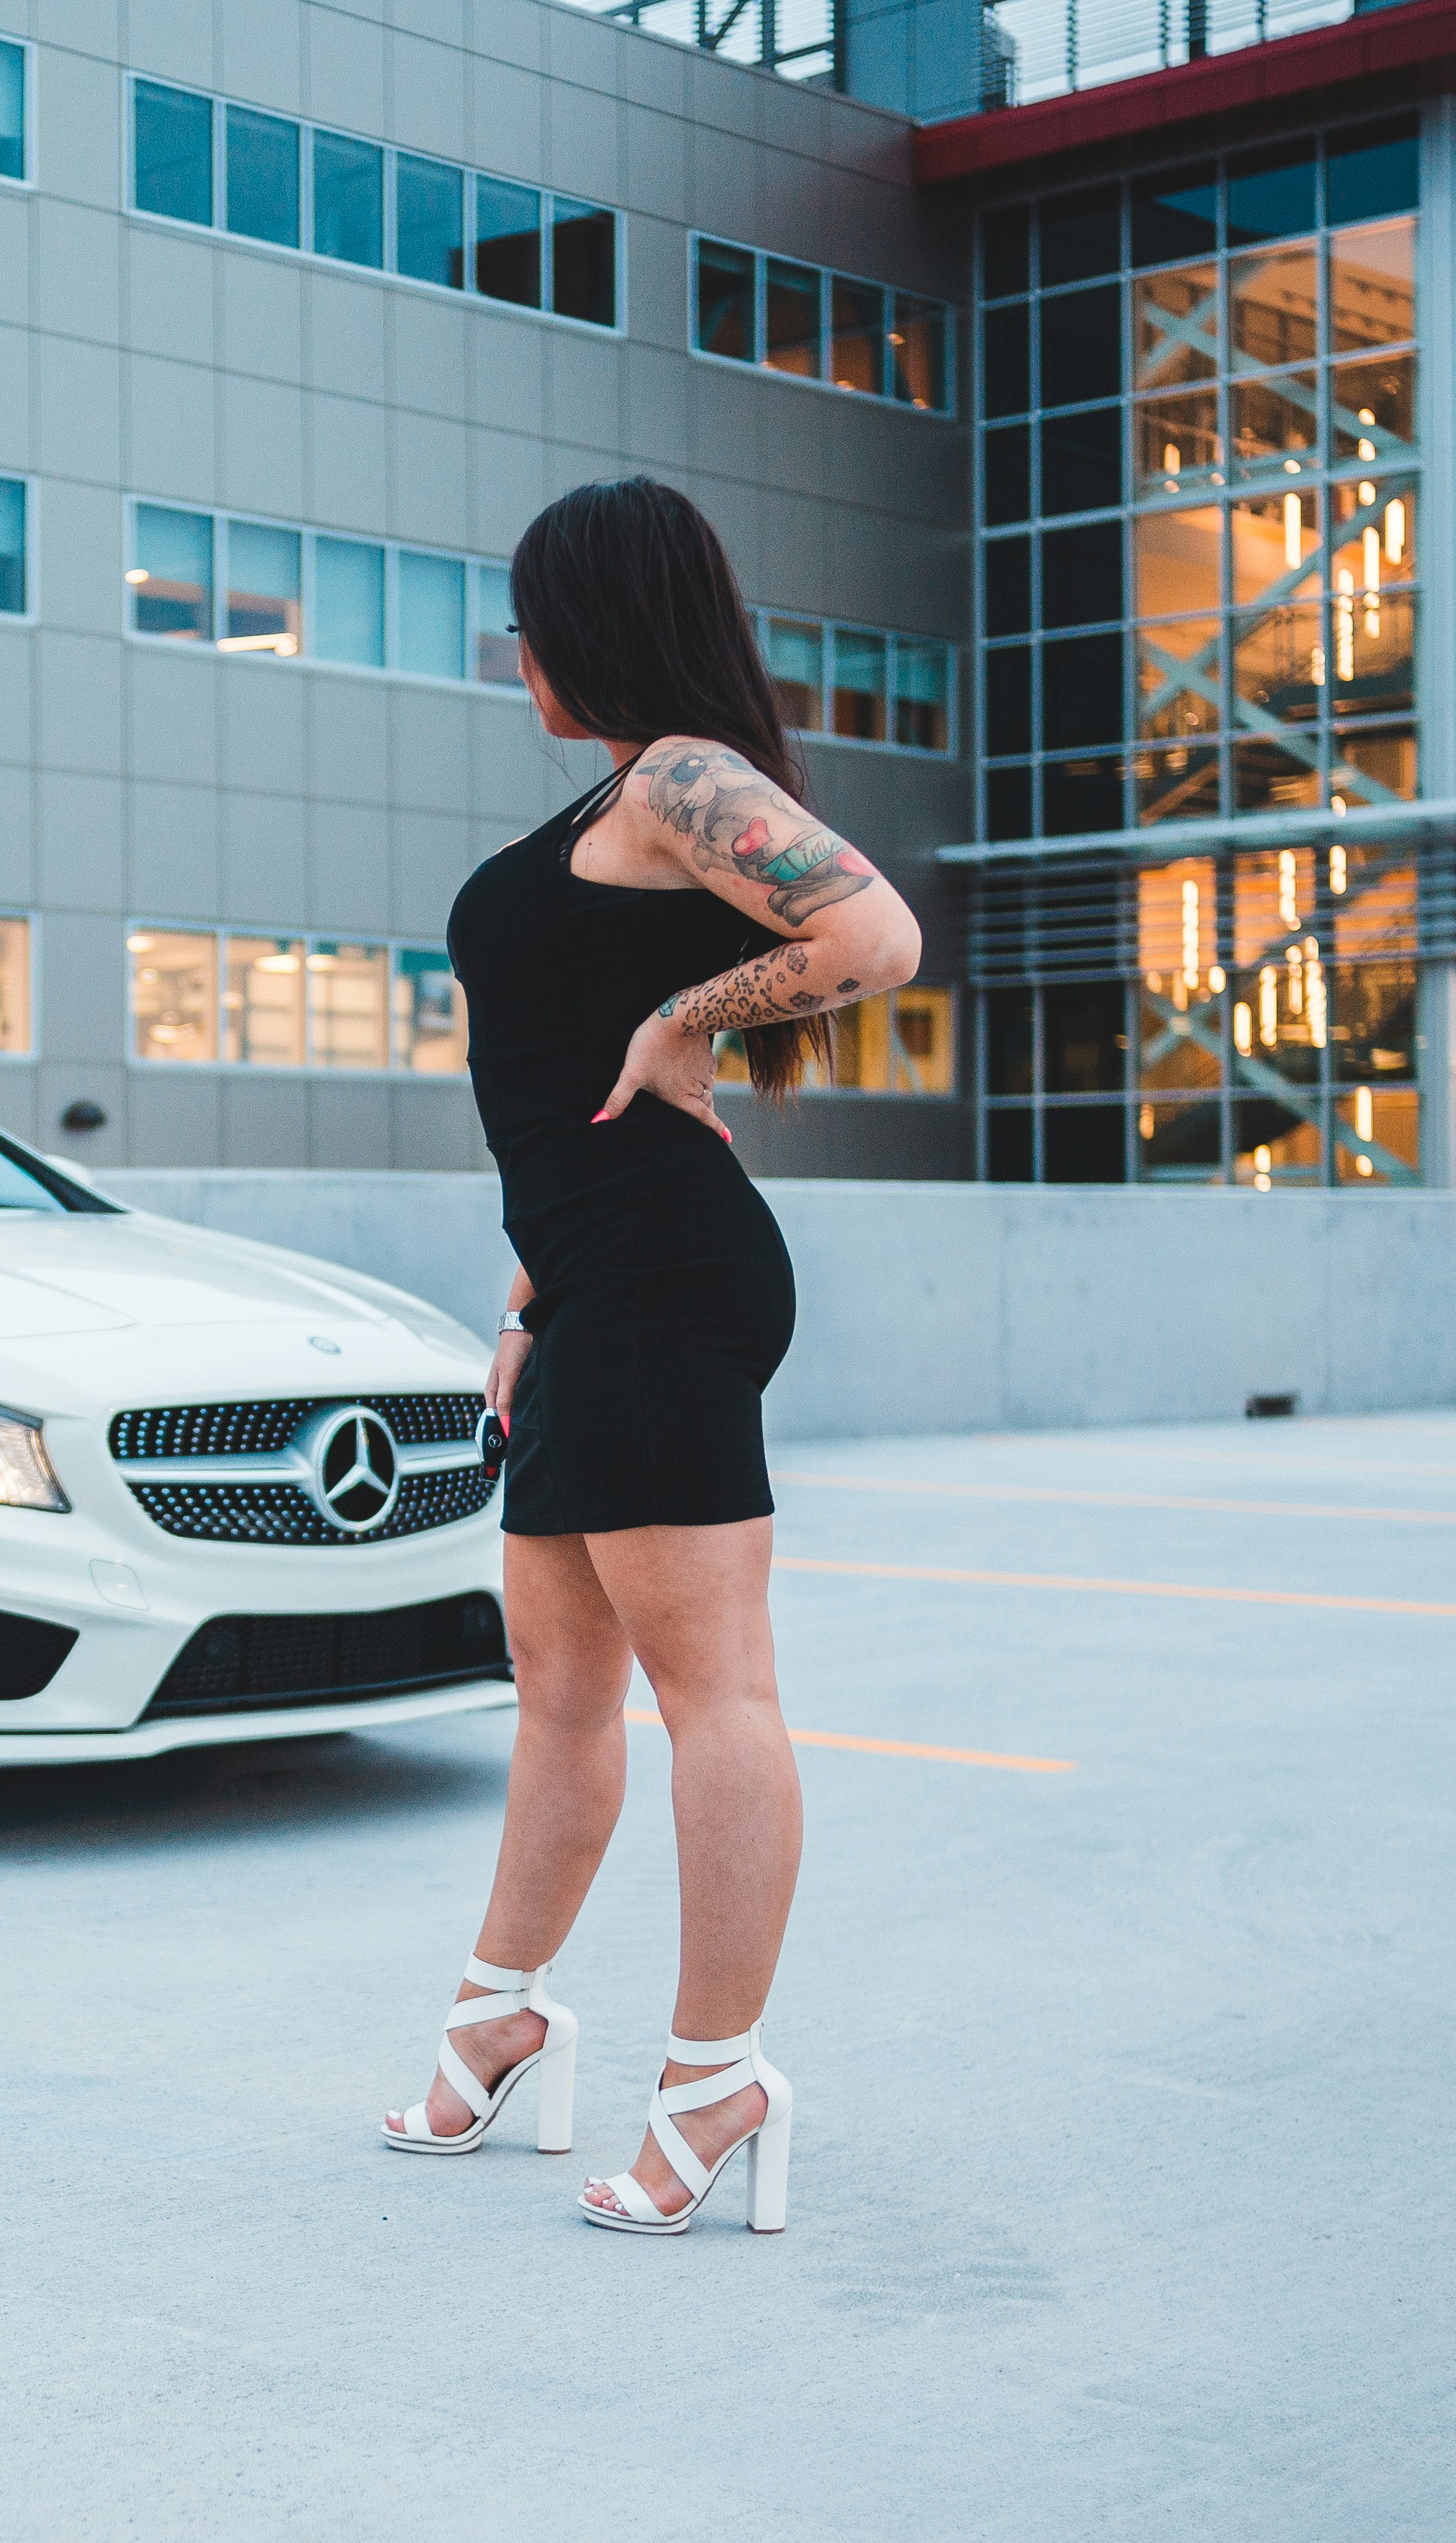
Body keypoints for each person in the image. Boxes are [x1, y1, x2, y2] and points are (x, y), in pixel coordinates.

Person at [377, 478, 922, 2237]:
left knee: (713, 1693)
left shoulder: (686, 776)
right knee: (556, 1690)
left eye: (531, 614)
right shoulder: (626, 799)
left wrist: (686, 1016)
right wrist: (529, 1305)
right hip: (595, 1282)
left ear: (592, 619)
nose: (516, 650)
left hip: (674, 1281)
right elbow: (547, 1102)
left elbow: (875, 935)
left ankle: (719, 2077)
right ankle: (503, 2017)